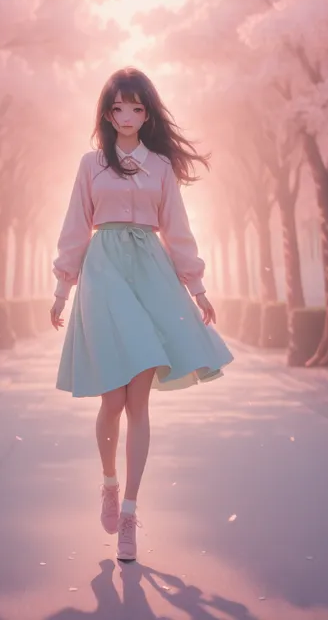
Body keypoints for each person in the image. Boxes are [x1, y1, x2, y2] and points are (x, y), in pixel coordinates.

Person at [50, 67, 233, 563]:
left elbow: (178, 231)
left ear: (147, 114)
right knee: (112, 400)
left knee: (139, 402)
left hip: (150, 275)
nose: (127, 116)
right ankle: (108, 482)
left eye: (136, 108)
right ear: (107, 115)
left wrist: (197, 290)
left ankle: (129, 510)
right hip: (104, 273)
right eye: (118, 108)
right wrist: (62, 289)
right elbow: (74, 226)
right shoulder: (92, 164)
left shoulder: (160, 168)